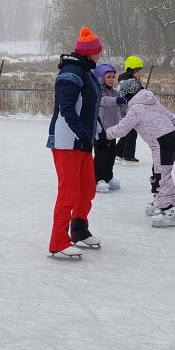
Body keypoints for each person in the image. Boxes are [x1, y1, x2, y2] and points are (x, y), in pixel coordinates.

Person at [46, 27, 104, 258]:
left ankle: (79, 230)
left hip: (82, 141)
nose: (100, 54)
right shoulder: (71, 72)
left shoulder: (86, 72)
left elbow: (90, 107)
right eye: (98, 51)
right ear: (90, 52)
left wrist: (99, 132)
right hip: (67, 141)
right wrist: (82, 135)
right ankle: (58, 241)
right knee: (68, 192)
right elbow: (66, 109)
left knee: (87, 189)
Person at [105, 88, 175, 227]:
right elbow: (173, 117)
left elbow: (122, 129)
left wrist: (106, 134)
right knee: (157, 171)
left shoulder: (135, 109)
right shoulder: (153, 102)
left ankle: (169, 210)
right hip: (170, 140)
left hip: (162, 143)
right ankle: (159, 200)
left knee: (162, 175)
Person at [93, 63, 126, 193]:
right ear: (101, 78)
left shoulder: (114, 92)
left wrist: (129, 102)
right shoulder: (98, 91)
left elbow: (120, 102)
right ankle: (98, 179)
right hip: (100, 130)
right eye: (108, 77)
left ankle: (108, 176)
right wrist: (117, 100)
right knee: (101, 155)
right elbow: (104, 100)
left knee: (111, 155)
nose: (112, 79)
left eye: (113, 77)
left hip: (112, 131)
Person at [114, 55, 145, 164]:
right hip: (129, 111)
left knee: (128, 131)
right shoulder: (132, 82)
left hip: (123, 111)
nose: (139, 74)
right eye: (138, 71)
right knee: (132, 133)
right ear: (132, 71)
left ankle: (118, 153)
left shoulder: (122, 80)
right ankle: (128, 156)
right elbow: (140, 93)